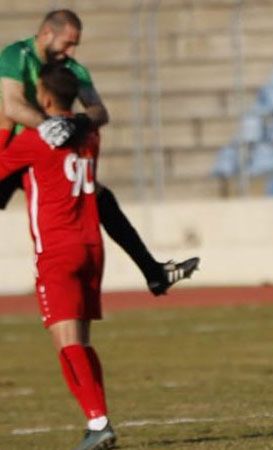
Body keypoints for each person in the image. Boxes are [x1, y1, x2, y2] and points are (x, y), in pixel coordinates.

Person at [0, 8, 198, 296]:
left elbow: (99, 111)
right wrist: (49, 126)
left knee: (100, 197)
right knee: (98, 197)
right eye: (67, 43)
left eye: (75, 44)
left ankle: (153, 272)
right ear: (46, 34)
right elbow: (13, 106)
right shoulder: (17, 55)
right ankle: (154, 272)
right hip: (15, 151)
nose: (71, 51)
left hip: (43, 155)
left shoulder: (71, 69)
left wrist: (78, 121)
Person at [0, 62, 115, 450]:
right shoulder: (89, 137)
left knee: (66, 343)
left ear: (43, 97)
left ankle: (98, 421)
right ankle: (96, 419)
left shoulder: (35, 141)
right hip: (91, 246)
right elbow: (92, 120)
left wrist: (4, 123)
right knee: (79, 339)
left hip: (57, 249)